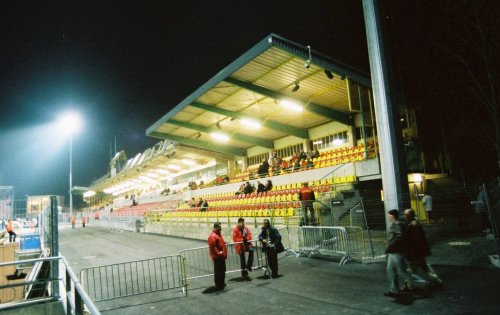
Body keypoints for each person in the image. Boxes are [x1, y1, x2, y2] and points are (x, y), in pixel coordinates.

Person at [404, 209, 443, 288]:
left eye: (406, 215)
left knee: (411, 270)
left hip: (416, 252)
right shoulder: (415, 223)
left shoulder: (413, 225)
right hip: (419, 252)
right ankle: (437, 281)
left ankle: (408, 285)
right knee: (424, 268)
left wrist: (411, 253)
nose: (405, 216)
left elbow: (415, 241)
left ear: (409, 216)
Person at [384, 209, 414, 298]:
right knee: (390, 270)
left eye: (389, 215)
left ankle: (418, 282)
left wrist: (391, 245)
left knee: (402, 271)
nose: (388, 217)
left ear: (392, 216)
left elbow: (399, 237)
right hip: (392, 251)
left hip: (397, 251)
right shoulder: (394, 224)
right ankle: (394, 290)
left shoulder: (396, 224)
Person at [208, 222, 227, 290]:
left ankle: (222, 283)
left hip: (221, 255)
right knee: (218, 271)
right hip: (217, 256)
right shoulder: (212, 236)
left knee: (222, 270)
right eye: (219, 226)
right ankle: (218, 285)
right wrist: (219, 253)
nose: (221, 227)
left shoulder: (218, 234)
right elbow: (212, 247)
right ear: (216, 227)